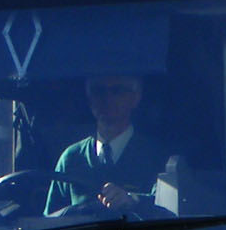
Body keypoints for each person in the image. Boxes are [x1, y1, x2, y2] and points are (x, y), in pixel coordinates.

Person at [45, 74, 168, 214]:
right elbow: (50, 221)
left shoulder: (156, 157)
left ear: (136, 97)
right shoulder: (71, 158)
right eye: (98, 91)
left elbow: (167, 211)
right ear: (89, 97)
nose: (107, 99)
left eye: (117, 91)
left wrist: (132, 201)